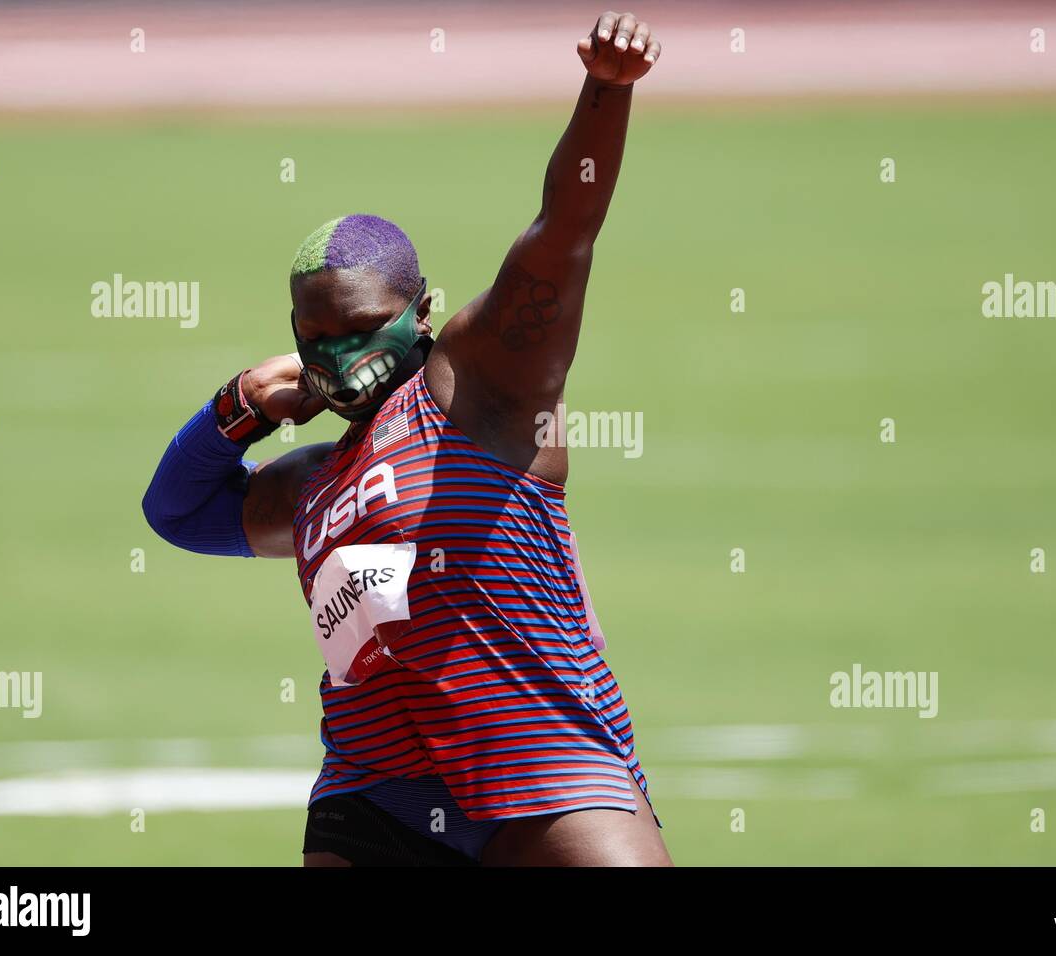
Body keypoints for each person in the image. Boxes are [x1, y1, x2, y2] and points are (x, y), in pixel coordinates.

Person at [142, 11, 670, 866]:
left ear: (421, 313)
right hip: (375, 789)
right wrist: (241, 403)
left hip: (543, 763)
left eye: (361, 330)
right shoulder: (311, 482)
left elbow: (563, 231)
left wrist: (606, 88)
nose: (338, 357)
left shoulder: (479, 386)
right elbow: (175, 512)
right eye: (314, 338)